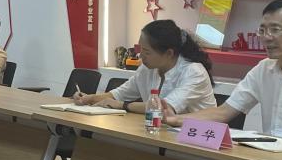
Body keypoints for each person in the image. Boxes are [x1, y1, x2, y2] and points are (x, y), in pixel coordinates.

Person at [165, 0, 282, 142]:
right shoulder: (264, 68)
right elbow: (224, 112)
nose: (266, 37)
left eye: (275, 30)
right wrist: (174, 119)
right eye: (262, 30)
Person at [74, 19, 215, 115]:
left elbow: (164, 108)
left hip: (197, 140)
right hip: (161, 133)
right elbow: (118, 94)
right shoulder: (147, 68)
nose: (140, 55)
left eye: (147, 52)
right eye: (140, 49)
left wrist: (123, 105)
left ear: (169, 53)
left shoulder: (194, 72)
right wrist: (89, 98)